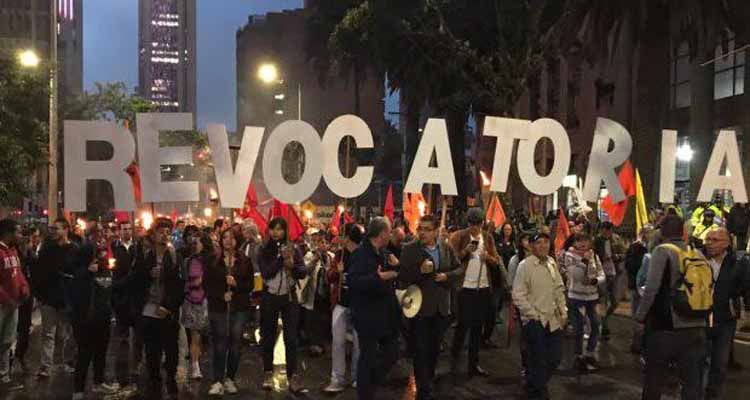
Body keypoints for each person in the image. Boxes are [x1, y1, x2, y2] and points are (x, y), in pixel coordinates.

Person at [635, 215, 708, 400]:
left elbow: (651, 288)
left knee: (654, 377)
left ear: (662, 232)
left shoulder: (662, 251)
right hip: (696, 325)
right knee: (691, 380)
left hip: (666, 326)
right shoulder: (696, 253)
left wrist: (640, 317)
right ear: (683, 231)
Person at [399, 215, 462, 400]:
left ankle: (429, 379)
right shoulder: (410, 249)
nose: (422, 233)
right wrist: (419, 271)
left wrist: (447, 277)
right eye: (420, 228)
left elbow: (459, 269)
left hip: (441, 308)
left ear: (435, 231)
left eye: (427, 229)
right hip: (419, 307)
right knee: (420, 351)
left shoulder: (446, 248)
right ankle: (423, 389)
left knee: (434, 349)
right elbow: (402, 275)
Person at [449, 208, 507, 378]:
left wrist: (487, 257)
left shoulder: (487, 238)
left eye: (478, 224)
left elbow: (496, 261)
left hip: (483, 288)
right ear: (468, 223)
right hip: (465, 288)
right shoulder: (459, 236)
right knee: (462, 325)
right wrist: (465, 251)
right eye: (472, 224)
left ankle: (473, 364)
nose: (475, 227)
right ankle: (455, 357)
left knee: (477, 327)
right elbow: (451, 260)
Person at [131, 218, 184, 399]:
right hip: (148, 310)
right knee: (152, 351)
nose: (165, 235)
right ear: (153, 235)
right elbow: (135, 281)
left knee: (171, 350)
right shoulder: (145, 256)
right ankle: (154, 383)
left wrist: (168, 307)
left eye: (168, 232)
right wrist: (148, 274)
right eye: (161, 232)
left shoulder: (174, 256)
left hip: (167, 312)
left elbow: (179, 286)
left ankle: (171, 379)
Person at [349, 217, 400, 400]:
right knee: (367, 359)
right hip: (367, 316)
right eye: (390, 231)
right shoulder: (360, 254)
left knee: (392, 353)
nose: (391, 235)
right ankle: (365, 394)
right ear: (382, 233)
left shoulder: (384, 253)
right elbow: (354, 282)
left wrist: (397, 266)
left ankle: (372, 383)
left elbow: (398, 273)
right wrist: (379, 278)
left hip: (385, 315)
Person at [512, 232, 567, 400]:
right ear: (531, 246)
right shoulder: (524, 266)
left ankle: (533, 384)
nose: (543, 246)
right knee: (538, 359)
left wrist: (563, 311)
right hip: (534, 321)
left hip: (553, 319)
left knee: (555, 358)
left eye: (546, 242)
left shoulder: (551, 263)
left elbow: (558, 289)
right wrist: (532, 314)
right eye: (539, 242)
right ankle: (539, 390)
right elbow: (518, 294)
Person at [258, 217, 307, 393]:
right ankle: (267, 372)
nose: (276, 232)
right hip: (270, 297)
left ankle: (293, 376)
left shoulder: (294, 248)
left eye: (280, 229)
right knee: (268, 337)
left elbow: (303, 272)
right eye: (273, 229)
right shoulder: (264, 249)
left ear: (285, 231)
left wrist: (292, 266)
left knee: (291, 338)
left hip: (290, 298)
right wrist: (280, 259)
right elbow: (266, 272)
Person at [70, 227, 120, 398]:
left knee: (101, 351)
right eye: (100, 250)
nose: (103, 252)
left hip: (103, 316)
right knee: (84, 353)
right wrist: (86, 272)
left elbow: (111, 288)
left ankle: (98, 382)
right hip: (86, 317)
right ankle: (78, 390)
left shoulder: (106, 268)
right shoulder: (82, 271)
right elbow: (75, 286)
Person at [702, 228, 750, 399]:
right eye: (708, 239)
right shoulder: (698, 259)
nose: (709, 243)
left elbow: (746, 287)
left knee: (720, 363)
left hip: (725, 319)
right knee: (700, 361)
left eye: (715, 240)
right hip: (700, 318)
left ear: (726, 244)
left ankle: (715, 394)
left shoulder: (737, 263)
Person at [206, 228, 253, 396]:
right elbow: (207, 284)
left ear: (237, 240)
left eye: (232, 238)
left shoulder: (245, 261)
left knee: (235, 344)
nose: (228, 240)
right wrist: (221, 294)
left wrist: (236, 285)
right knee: (219, 343)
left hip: (239, 308)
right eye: (225, 237)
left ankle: (230, 378)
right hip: (218, 308)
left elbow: (250, 285)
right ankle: (217, 380)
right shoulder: (213, 260)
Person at [33, 217, 76, 379]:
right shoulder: (47, 249)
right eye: (52, 229)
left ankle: (67, 362)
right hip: (49, 297)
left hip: (67, 298)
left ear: (66, 229)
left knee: (66, 334)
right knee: (48, 334)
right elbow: (39, 272)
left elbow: (77, 273)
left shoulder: (74, 249)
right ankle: (45, 366)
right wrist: (39, 295)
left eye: (56, 228)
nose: (53, 232)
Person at [323, 224, 364, 393]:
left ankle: (357, 377)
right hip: (340, 304)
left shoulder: (364, 255)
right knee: (338, 342)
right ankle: (337, 379)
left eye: (341, 234)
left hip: (359, 305)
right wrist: (337, 273)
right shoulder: (339, 255)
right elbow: (329, 277)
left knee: (359, 344)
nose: (338, 237)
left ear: (347, 237)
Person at [563, 234, 605, 371]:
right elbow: (575, 275)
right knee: (578, 328)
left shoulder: (594, 256)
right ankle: (578, 356)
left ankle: (590, 354)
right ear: (574, 243)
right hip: (576, 297)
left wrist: (595, 281)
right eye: (579, 241)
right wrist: (584, 261)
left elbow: (601, 274)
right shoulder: (570, 256)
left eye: (585, 241)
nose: (582, 244)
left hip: (592, 297)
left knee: (595, 325)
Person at [111, 220, 143, 391]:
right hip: (121, 298)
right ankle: (121, 373)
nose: (127, 231)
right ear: (119, 231)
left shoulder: (137, 249)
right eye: (124, 229)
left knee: (138, 337)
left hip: (136, 299)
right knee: (122, 339)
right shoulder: (114, 248)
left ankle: (136, 367)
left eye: (129, 229)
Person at [0, 219, 30, 391]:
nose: (20, 235)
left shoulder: (13, 251)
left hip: (13, 304)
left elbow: (18, 273)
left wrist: (24, 288)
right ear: (8, 233)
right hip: (4, 304)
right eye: (17, 232)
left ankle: (4, 376)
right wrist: (7, 300)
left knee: (7, 340)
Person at [180, 232, 211, 382]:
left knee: (203, 336)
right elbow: (191, 280)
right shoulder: (190, 261)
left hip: (208, 300)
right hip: (194, 301)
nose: (194, 245)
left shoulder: (210, 260)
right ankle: (195, 365)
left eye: (197, 242)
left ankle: (199, 363)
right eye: (193, 242)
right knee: (195, 336)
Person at [300, 230, 332, 356]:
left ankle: (321, 343)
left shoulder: (331, 256)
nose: (323, 245)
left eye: (325, 242)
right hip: (313, 294)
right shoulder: (310, 255)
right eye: (320, 242)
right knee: (312, 320)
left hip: (326, 295)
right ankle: (313, 344)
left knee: (324, 320)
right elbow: (305, 271)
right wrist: (314, 260)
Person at [485, 222, 516, 348]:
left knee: (498, 304)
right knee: (493, 307)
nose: (508, 231)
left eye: (510, 229)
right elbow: (498, 262)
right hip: (496, 279)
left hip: (506, 277)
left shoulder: (513, 243)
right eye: (506, 229)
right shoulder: (496, 243)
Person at [14, 226, 40, 374]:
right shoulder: (11, 252)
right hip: (12, 296)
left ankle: (20, 355)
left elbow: (36, 270)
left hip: (26, 295)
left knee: (24, 327)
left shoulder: (30, 253)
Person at [593, 221, 625, 340]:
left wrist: (617, 256)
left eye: (608, 231)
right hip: (602, 273)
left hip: (615, 272)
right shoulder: (596, 241)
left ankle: (604, 319)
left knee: (615, 301)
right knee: (604, 300)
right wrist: (601, 257)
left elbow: (624, 253)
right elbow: (592, 255)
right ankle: (604, 327)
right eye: (604, 231)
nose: (606, 233)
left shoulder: (616, 239)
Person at [624, 225, 652, 354]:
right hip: (637, 286)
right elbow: (629, 265)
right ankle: (637, 343)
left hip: (647, 287)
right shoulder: (636, 247)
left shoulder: (653, 248)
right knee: (638, 315)